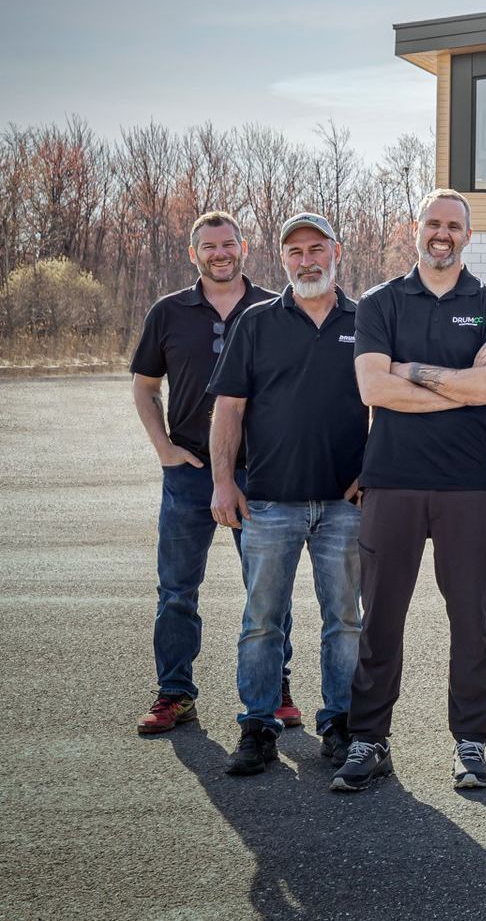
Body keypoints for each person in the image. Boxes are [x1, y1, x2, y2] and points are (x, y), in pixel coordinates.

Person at [332, 189, 486, 793]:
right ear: (417, 229)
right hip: (391, 481)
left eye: (454, 226)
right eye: (434, 223)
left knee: (471, 620)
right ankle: (369, 740)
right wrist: (461, 384)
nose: (443, 234)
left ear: (468, 235)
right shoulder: (381, 301)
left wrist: (407, 370)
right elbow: (373, 390)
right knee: (381, 618)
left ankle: (470, 740)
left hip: (467, 484)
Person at [207, 213, 368, 775]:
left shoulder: (366, 320)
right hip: (270, 502)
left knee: (344, 620)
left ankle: (340, 725)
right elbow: (229, 407)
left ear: (336, 252)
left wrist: (372, 471)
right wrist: (223, 481)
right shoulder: (256, 323)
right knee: (262, 620)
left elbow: (386, 403)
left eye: (316, 249)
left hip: (344, 505)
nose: (307, 260)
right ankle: (257, 726)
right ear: (282, 260)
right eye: (295, 252)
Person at [131, 211, 282, 736]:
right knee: (176, 590)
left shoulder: (273, 308)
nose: (221, 254)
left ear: (244, 248)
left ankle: (277, 688)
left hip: (259, 473)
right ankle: (175, 693)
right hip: (190, 471)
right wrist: (165, 450)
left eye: (228, 244)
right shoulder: (168, 312)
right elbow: (145, 386)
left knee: (266, 591)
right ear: (193, 254)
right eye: (209, 246)